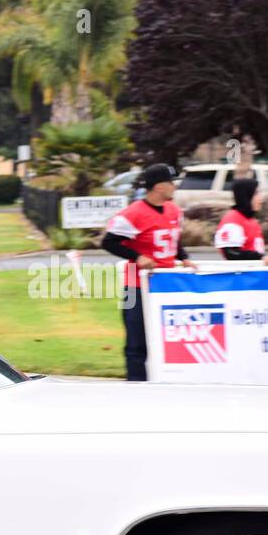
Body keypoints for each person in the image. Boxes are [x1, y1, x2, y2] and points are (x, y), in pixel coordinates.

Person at [102, 163, 197, 381]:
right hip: (137, 288)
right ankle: (137, 389)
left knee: (168, 341)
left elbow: (174, 239)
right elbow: (109, 242)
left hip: (167, 286)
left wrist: (183, 258)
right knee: (137, 343)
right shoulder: (134, 213)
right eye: (171, 182)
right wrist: (137, 257)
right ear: (159, 187)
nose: (175, 186)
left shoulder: (173, 209)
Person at [215, 177, 268, 265]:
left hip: (255, 275)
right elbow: (231, 253)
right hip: (243, 276)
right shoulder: (232, 220)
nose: (261, 199)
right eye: (256, 193)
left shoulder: (250, 219)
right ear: (246, 196)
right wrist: (260, 257)